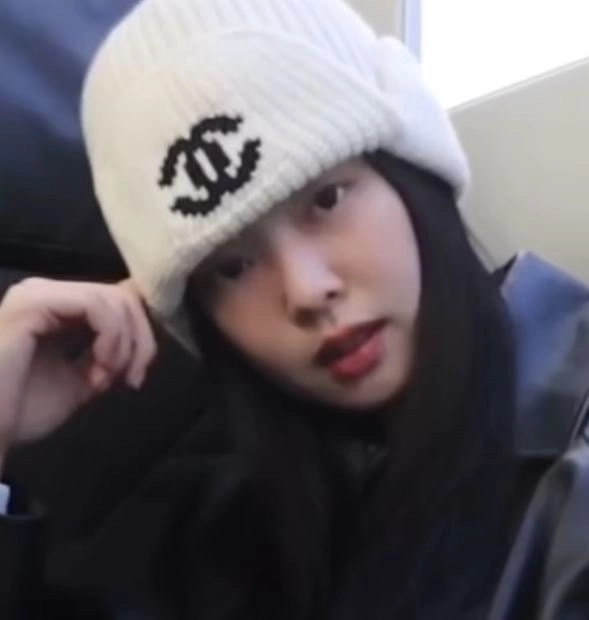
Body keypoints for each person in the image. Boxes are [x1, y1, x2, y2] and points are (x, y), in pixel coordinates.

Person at [1, 0, 589, 618]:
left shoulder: (570, 467)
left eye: (326, 199)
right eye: (231, 268)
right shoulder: (212, 532)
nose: (306, 292)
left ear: (412, 170)